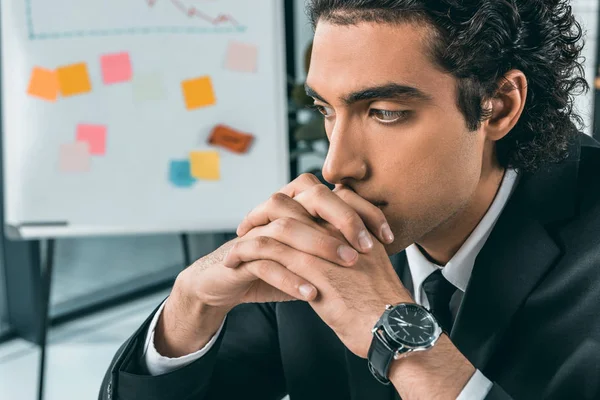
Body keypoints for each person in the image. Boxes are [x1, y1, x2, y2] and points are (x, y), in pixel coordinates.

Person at [99, 1, 600, 399]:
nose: (337, 167)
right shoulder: (321, 225)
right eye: (326, 110)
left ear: (500, 105)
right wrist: (189, 308)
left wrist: (402, 342)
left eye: (383, 112)